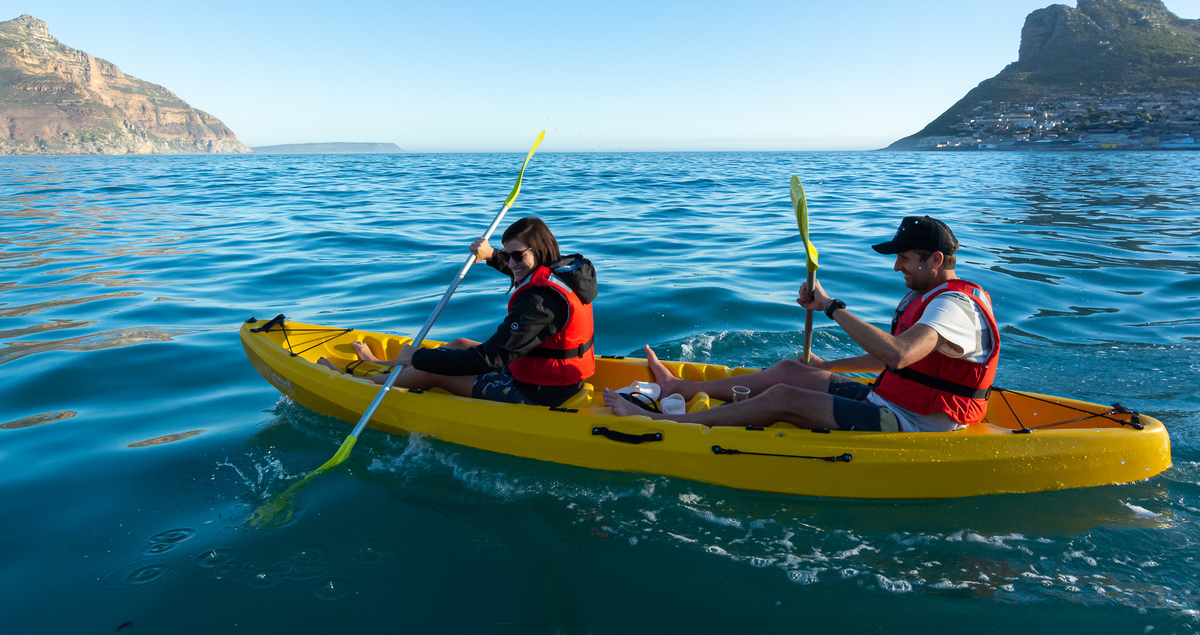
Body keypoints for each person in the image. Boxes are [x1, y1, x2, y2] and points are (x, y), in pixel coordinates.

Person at [603, 215, 1000, 432]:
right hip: (893, 400)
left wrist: (830, 307)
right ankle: (678, 387)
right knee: (790, 370)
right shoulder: (926, 295)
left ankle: (663, 422)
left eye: (905, 258)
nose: (897, 265)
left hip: (916, 423)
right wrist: (826, 368)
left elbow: (898, 355)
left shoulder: (954, 306)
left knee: (783, 399)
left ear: (935, 260)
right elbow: (898, 364)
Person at [326, 217, 598, 407]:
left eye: (517, 255)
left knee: (434, 370)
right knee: (456, 345)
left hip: (538, 393)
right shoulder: (562, 272)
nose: (512, 263)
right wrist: (492, 255)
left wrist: (422, 358)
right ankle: (386, 369)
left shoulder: (538, 303)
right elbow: (522, 270)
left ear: (539, 251)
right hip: (549, 378)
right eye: (507, 255)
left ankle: (362, 385)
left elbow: (492, 357)